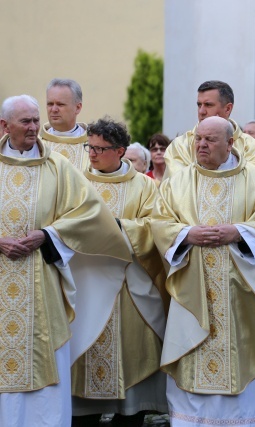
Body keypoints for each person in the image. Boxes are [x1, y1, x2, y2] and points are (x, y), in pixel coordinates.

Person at [0, 95, 131, 427]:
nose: (34, 127)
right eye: (25, 122)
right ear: (5, 126)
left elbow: (89, 213)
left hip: (42, 281)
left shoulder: (58, 167)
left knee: (44, 360)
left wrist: (48, 235)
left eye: (35, 119)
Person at [152, 116, 255, 427]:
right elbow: (158, 224)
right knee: (192, 357)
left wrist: (239, 232)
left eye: (210, 140)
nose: (201, 144)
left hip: (239, 292)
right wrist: (187, 235)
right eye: (198, 138)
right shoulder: (177, 182)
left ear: (230, 144)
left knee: (238, 356)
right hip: (190, 290)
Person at [72, 118, 168, 426]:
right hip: (86, 285)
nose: (92, 154)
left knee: (132, 366)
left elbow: (155, 227)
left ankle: (131, 416)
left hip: (130, 287)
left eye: (100, 148)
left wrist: (118, 228)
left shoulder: (144, 186)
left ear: (121, 151)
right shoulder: (76, 182)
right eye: (90, 147)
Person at [163, 80, 255, 178]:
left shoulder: (251, 147)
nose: (201, 111)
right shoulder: (180, 146)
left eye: (208, 105)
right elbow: (176, 187)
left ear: (227, 109)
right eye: (199, 105)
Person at [40, 78, 89, 170]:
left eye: (60, 104)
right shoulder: (36, 145)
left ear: (77, 108)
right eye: (50, 104)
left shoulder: (93, 147)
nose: (54, 109)